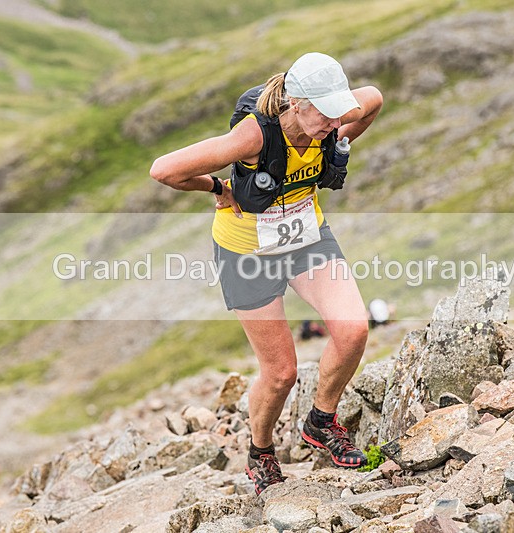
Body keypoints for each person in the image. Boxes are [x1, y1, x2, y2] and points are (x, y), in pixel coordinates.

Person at [150, 52, 382, 494]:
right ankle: (260, 453)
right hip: (247, 251)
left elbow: (373, 99)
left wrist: (342, 138)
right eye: (327, 114)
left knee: (353, 330)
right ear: (297, 103)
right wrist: (219, 188)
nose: (335, 120)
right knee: (280, 374)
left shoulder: (331, 118)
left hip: (306, 238)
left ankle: (320, 421)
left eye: (339, 113)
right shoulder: (253, 135)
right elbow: (164, 170)